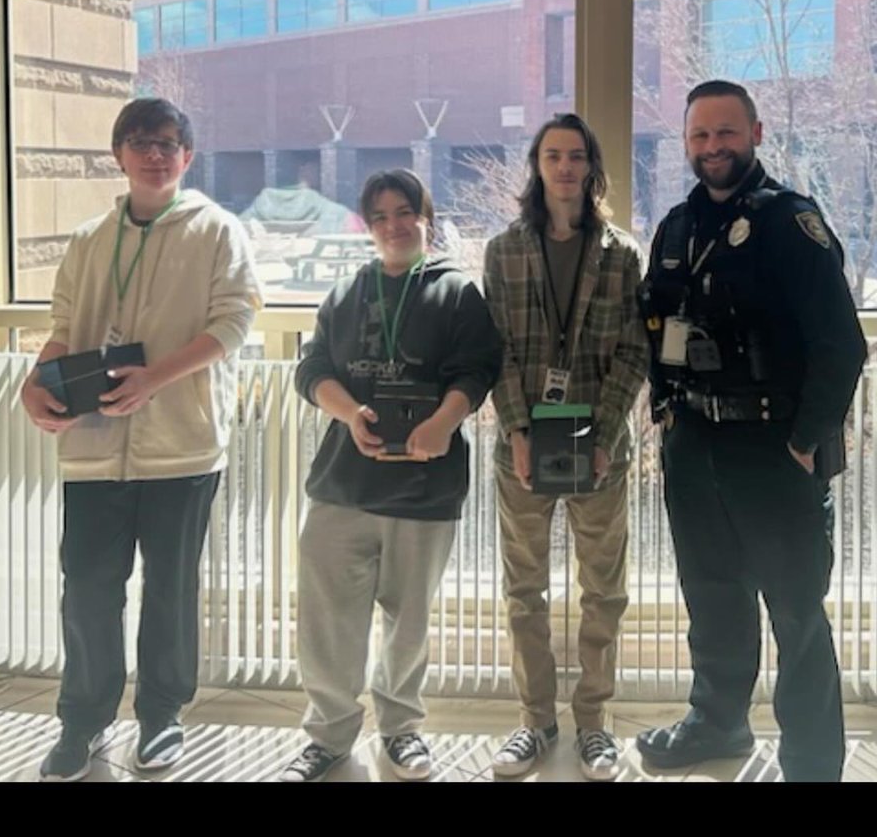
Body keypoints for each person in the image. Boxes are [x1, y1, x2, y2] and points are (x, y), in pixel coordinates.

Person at [20, 97, 262, 782]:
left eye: (167, 143)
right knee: (88, 588)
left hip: (183, 447)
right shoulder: (89, 239)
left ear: (187, 156)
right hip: (93, 448)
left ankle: (161, 717)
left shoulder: (218, 230)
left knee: (170, 590)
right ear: (118, 154)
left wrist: (156, 377)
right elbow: (64, 327)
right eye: (140, 142)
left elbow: (234, 324)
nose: (155, 154)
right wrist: (32, 383)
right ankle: (83, 720)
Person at [636, 79, 867, 782]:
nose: (713, 147)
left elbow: (840, 345)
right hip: (693, 446)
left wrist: (805, 441)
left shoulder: (789, 222)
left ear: (757, 135)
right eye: (700, 135)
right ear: (686, 142)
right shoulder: (676, 227)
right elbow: (657, 328)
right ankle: (717, 725)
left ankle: (811, 764)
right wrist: (665, 414)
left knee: (796, 615)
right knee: (711, 598)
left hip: (774, 450)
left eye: (726, 132)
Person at [279, 168, 502, 783]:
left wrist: (443, 424)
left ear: (426, 218)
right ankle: (328, 736)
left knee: (408, 621)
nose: (393, 225)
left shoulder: (457, 292)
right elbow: (312, 370)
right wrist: (350, 414)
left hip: (425, 486)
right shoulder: (346, 292)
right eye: (380, 216)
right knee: (328, 619)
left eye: (405, 212)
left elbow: (478, 370)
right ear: (368, 226)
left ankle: (401, 732)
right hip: (342, 485)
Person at [482, 114, 648, 781]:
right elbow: (494, 349)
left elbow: (634, 350)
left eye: (576, 155)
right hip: (521, 448)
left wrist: (604, 437)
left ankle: (594, 724)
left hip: (600, 447)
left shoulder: (621, 254)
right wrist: (517, 432)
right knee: (525, 591)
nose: (565, 167)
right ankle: (535, 721)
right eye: (552, 155)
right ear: (537, 165)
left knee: (603, 590)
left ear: (591, 167)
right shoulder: (504, 250)